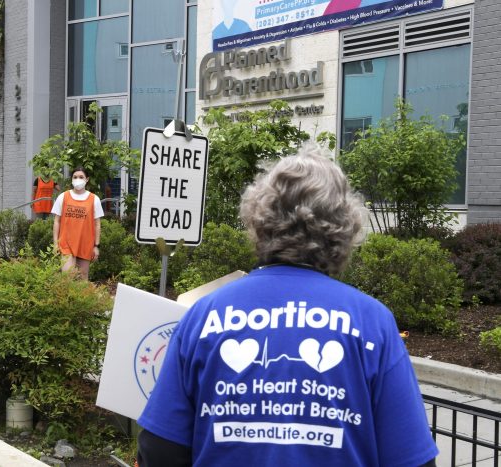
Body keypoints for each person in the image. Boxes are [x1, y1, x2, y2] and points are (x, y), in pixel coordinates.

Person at [136, 145, 438, 467]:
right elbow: (413, 460)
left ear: (258, 220)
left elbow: (159, 451)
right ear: (345, 229)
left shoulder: (204, 315)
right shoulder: (372, 323)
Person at [51, 167, 103, 281]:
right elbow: (57, 221)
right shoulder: (63, 197)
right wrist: (55, 243)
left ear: (87, 179)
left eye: (81, 177)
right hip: (66, 242)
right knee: (67, 276)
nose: (77, 179)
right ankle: (66, 299)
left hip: (85, 243)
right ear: (71, 179)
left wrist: (96, 246)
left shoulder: (94, 199)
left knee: (83, 276)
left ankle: (83, 299)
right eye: (75, 177)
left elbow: (97, 224)